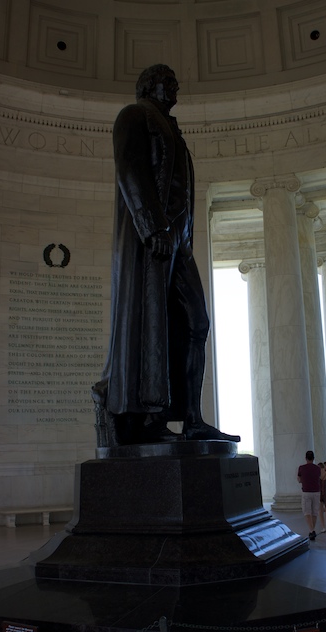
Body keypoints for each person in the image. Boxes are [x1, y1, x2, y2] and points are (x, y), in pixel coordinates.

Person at [92, 64, 239, 447]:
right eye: (167, 80)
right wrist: (150, 227)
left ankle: (192, 419)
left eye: (175, 80)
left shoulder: (172, 128)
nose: (175, 86)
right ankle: (149, 420)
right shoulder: (134, 116)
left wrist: (178, 236)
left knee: (196, 323)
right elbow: (131, 169)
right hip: (153, 239)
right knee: (150, 328)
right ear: (147, 85)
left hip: (180, 242)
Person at [297, 451, 321, 540]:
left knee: (307, 512)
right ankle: (312, 530)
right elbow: (319, 477)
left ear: (306, 458)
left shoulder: (302, 468)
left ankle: (311, 530)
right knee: (314, 512)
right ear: (313, 458)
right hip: (316, 491)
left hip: (306, 491)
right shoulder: (317, 468)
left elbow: (299, 479)